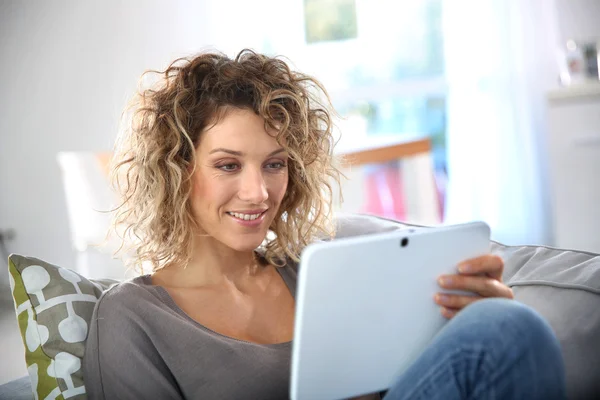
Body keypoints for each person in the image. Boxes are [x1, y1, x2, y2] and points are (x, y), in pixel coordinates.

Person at [83, 49, 566, 400]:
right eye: (228, 165)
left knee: (506, 326)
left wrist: (466, 319)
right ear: (176, 171)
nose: (259, 192)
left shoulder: (315, 272)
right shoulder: (131, 319)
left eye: (274, 164)